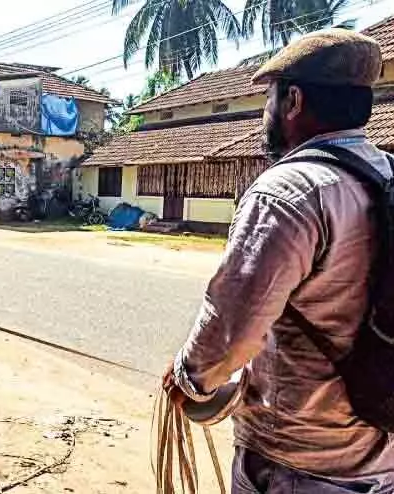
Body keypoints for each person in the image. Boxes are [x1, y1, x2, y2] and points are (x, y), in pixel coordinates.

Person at [165, 30, 394, 493]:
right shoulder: (387, 174)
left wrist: (190, 383)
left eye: (268, 98)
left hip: (297, 462)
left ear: (292, 101)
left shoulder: (289, 191)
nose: (265, 112)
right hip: (380, 459)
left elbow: (233, 327)